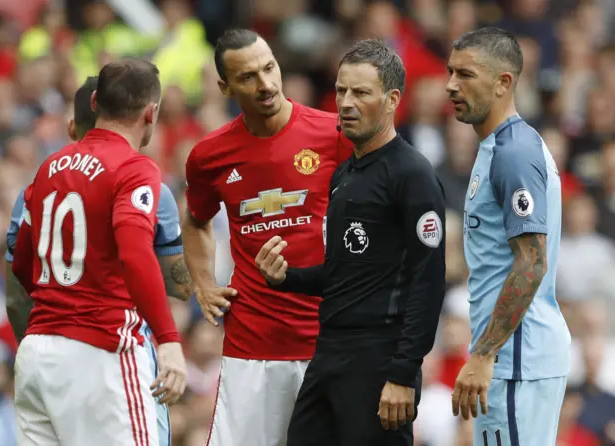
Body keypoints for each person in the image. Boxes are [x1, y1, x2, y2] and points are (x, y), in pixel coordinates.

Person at [256, 39, 447, 446]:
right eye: (342, 90)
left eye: (360, 92)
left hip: (379, 359)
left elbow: (429, 281)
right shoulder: (345, 174)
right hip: (329, 353)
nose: (345, 102)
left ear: (392, 99)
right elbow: (346, 272)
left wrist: (402, 372)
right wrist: (286, 278)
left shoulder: (412, 174)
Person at [182, 28, 352, 446]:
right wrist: (204, 284)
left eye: (270, 68)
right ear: (224, 87)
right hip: (253, 342)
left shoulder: (334, 134)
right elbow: (197, 220)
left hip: (328, 337)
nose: (266, 85)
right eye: (248, 77)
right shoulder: (209, 156)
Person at [4, 75, 192, 446]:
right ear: (151, 113)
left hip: (37, 353)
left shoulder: (48, 168)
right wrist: (169, 340)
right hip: (103, 350)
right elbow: (138, 254)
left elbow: (22, 266)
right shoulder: (136, 169)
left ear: (93, 103)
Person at [446, 27, 570, 445]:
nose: (451, 85)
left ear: (504, 83)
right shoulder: (500, 147)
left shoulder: (513, 154)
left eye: (466, 74)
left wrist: (483, 355)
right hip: (512, 358)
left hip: (516, 360)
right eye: (450, 72)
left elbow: (532, 263)